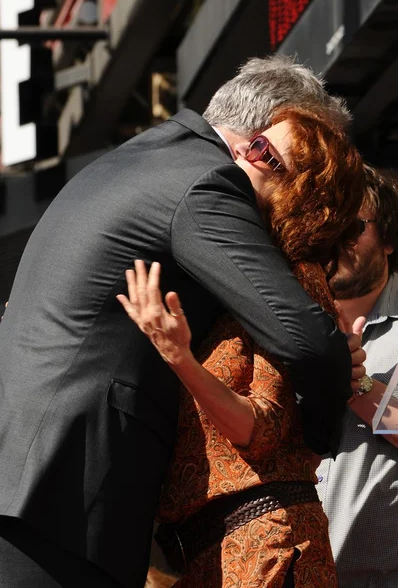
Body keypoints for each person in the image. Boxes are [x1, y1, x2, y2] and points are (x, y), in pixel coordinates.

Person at [0, 54, 356, 588]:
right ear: (256, 143)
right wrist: (324, 426)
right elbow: (307, 340)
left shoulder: (144, 157)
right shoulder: (206, 181)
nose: (298, 190)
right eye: (300, 161)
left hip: (38, 478)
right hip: (66, 487)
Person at [119, 107, 366, 587]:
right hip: (217, 554)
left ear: (302, 194)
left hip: (267, 549)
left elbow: (260, 428)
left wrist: (180, 358)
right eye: (251, 141)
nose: (240, 151)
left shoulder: (297, 282)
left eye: (262, 152)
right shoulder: (242, 276)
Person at [316, 165, 398, 588]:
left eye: (352, 226)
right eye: (325, 224)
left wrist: (357, 384)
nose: (335, 240)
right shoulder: (291, 324)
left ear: (387, 238)